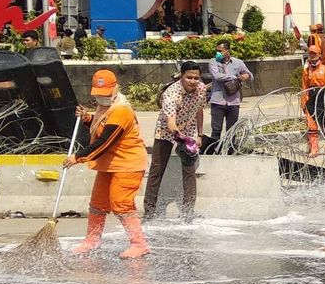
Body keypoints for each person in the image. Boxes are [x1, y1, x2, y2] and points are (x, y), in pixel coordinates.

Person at [65, 69, 150, 259]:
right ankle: (92, 240)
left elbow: (104, 141)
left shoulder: (121, 110)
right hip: (109, 163)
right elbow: (100, 126)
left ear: (115, 89)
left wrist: (77, 157)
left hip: (128, 164)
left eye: (105, 94)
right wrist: (88, 118)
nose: (101, 98)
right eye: (97, 94)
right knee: (98, 203)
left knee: (121, 204)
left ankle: (139, 244)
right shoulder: (106, 107)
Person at [143, 61, 207, 220]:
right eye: (189, 77)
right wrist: (180, 137)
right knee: (157, 169)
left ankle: (188, 211)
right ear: (181, 76)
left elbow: (199, 110)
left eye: (196, 78)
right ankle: (149, 212)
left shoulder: (201, 88)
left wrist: (199, 134)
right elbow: (170, 121)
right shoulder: (171, 94)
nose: (193, 81)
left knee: (189, 168)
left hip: (189, 127)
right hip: (167, 129)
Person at [208, 39, 253, 154]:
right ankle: (214, 152)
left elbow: (250, 75)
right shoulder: (213, 62)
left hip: (233, 102)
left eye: (220, 51)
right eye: (217, 51)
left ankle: (231, 152)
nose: (218, 53)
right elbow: (217, 76)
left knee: (232, 130)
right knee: (216, 130)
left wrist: (246, 76)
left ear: (227, 51)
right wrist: (234, 77)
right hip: (218, 101)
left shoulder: (238, 63)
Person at [300, 45, 325, 155]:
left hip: (322, 98)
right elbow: (304, 87)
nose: (312, 56)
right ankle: (314, 149)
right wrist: (303, 102)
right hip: (311, 98)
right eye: (311, 53)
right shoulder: (305, 71)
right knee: (311, 124)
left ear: (319, 55)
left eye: (314, 53)